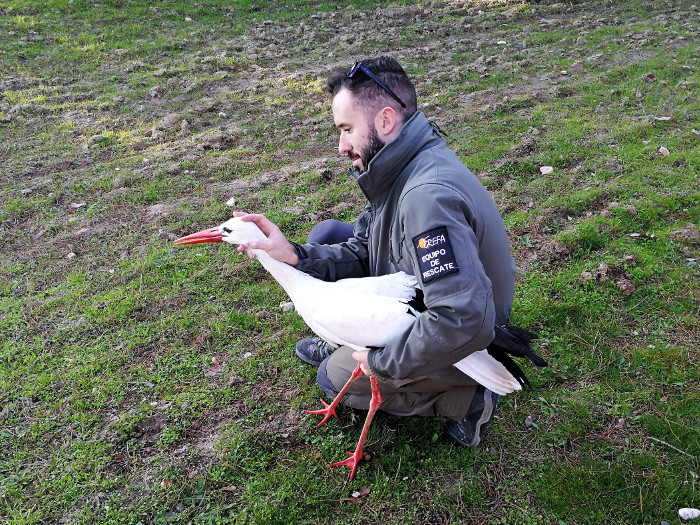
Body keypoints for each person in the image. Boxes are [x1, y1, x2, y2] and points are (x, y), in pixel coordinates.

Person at [236, 56, 516, 447]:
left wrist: (380, 362)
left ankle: (467, 396)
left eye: (347, 129)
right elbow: (365, 247)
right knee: (328, 233)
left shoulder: (427, 198)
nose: (340, 146)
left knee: (333, 379)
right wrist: (296, 256)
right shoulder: (398, 165)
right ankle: (349, 338)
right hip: (414, 291)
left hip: (468, 332)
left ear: (385, 121)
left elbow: (461, 320)